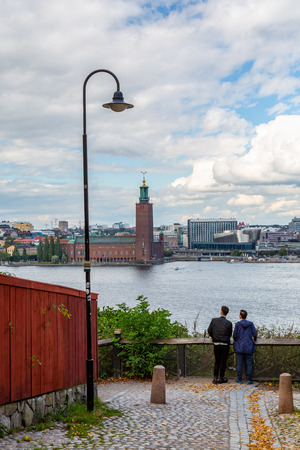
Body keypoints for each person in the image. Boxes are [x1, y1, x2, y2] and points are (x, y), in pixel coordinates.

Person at [208, 306, 232, 384]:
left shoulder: (214, 320)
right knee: (223, 362)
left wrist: (213, 337)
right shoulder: (229, 323)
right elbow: (229, 334)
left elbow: (209, 330)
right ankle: (221, 377)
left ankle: (215, 378)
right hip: (225, 343)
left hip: (217, 343)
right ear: (227, 313)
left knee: (217, 361)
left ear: (221, 311)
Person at [233, 310, 257, 385]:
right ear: (246, 316)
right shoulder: (251, 324)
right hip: (248, 345)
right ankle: (249, 380)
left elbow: (234, 335)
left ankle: (239, 379)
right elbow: (255, 334)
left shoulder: (237, 324)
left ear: (240, 316)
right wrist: (254, 339)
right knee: (249, 363)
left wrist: (236, 340)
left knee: (239, 363)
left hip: (240, 346)